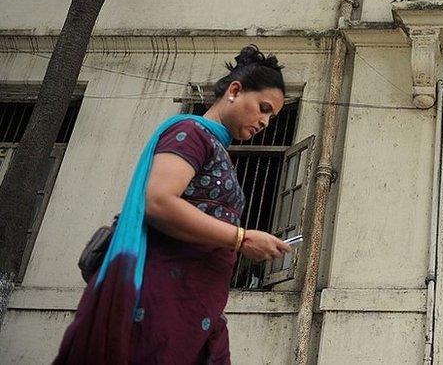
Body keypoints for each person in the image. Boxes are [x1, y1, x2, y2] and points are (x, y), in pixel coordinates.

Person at [55, 45, 292, 364]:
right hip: (160, 304)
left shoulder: (217, 148)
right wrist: (241, 238)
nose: (265, 121)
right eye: (263, 108)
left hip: (195, 306)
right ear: (235, 90)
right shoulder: (190, 133)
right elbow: (159, 201)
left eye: (272, 117)